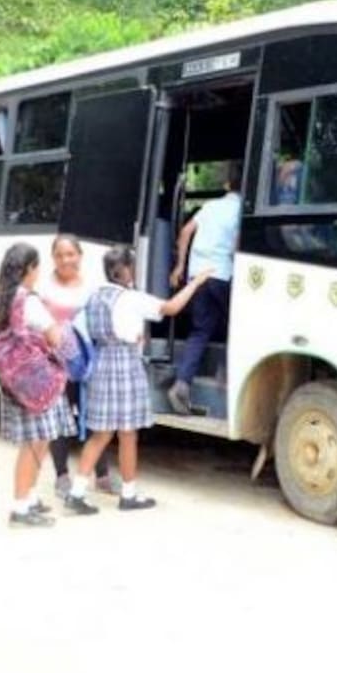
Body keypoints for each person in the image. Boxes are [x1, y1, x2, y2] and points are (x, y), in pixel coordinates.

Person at [66, 245, 211, 514]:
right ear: (123, 270)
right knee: (128, 434)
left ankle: (76, 493)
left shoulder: (96, 295)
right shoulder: (132, 298)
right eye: (131, 265)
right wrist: (197, 282)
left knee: (100, 435)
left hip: (102, 364)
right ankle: (129, 495)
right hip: (125, 365)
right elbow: (171, 308)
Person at [0, 242, 75, 527]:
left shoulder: (2, 296)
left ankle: (28, 498)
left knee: (35, 442)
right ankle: (21, 508)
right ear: (29, 269)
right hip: (37, 382)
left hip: (16, 382)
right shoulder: (28, 299)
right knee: (34, 445)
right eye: (37, 267)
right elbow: (54, 338)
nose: (39, 272)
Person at [36, 233, 115, 499]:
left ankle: (101, 474)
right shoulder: (44, 288)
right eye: (59, 255)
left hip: (89, 363)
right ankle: (61, 475)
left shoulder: (93, 287)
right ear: (53, 259)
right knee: (59, 419)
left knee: (95, 417)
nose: (65, 260)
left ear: (79, 256)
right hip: (55, 364)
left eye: (70, 254)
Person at [167, 161, 242, 414]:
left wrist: (180, 266)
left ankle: (182, 384)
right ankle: (225, 370)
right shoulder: (243, 210)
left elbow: (186, 231)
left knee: (200, 331)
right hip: (222, 275)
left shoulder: (210, 206)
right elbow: (235, 248)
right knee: (239, 324)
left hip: (197, 275)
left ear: (226, 185)